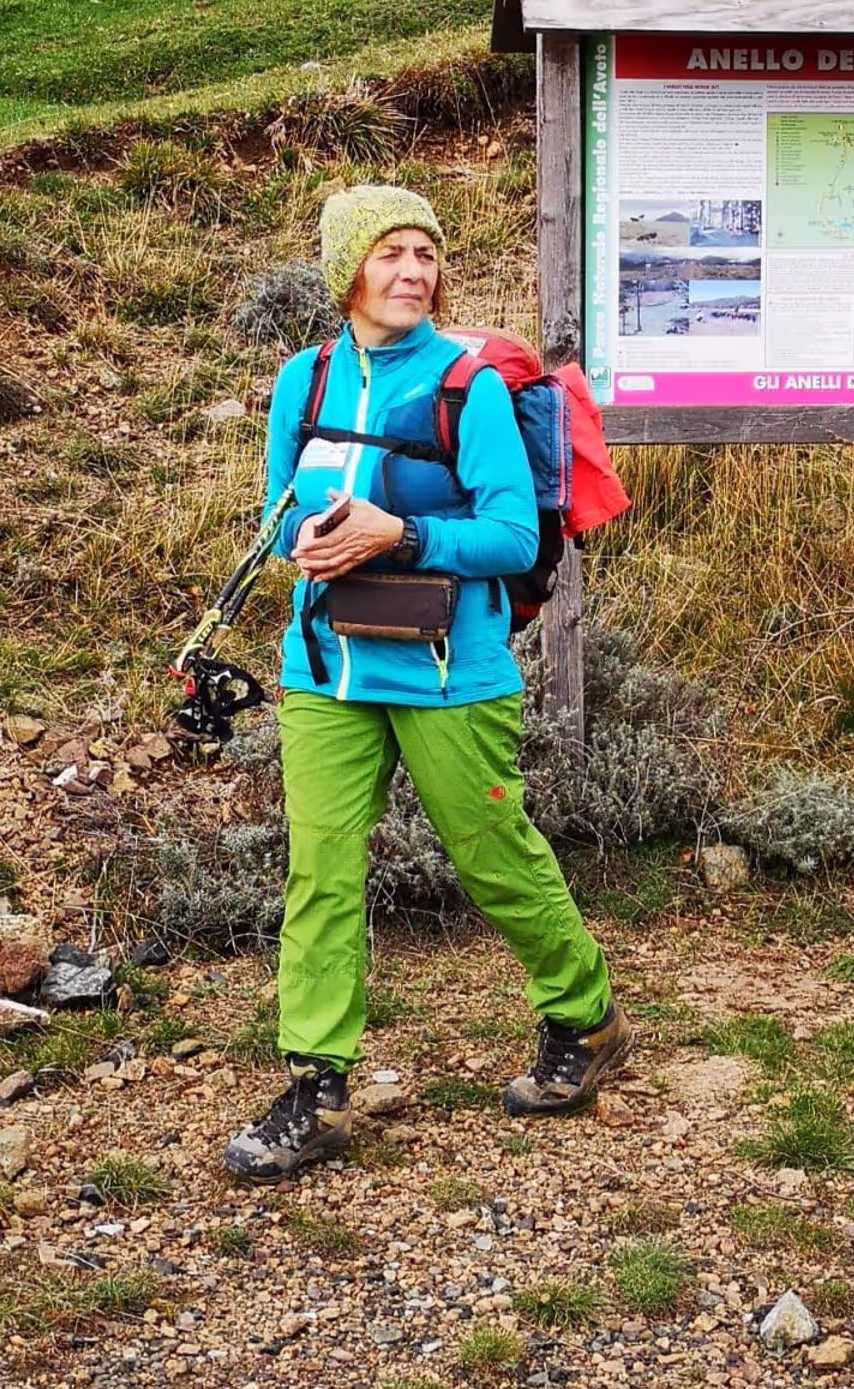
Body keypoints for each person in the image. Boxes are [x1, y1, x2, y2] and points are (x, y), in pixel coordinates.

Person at [223, 184, 631, 1183]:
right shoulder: (304, 381)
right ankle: (316, 1085)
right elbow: (278, 513)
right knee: (320, 871)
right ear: (347, 270)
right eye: (390, 253)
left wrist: (398, 533)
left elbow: (514, 535)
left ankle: (584, 1015)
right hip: (325, 668)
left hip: (454, 671)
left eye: (426, 254)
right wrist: (311, 536)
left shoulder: (465, 385)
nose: (413, 271)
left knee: (493, 856)